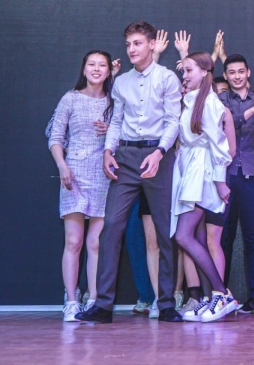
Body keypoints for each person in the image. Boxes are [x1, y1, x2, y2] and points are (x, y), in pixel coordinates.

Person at [77, 22, 182, 324]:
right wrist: (108, 151)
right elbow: (117, 120)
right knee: (111, 226)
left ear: (151, 45)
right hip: (125, 156)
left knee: (164, 231)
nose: (132, 49)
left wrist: (159, 152)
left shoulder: (167, 78)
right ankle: (103, 305)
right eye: (128, 44)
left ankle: (166, 304)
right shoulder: (121, 82)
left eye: (137, 43)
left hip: (157, 156)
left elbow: (173, 121)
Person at [170, 52, 240, 322]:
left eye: (189, 70)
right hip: (190, 170)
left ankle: (222, 294)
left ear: (203, 72)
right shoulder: (192, 100)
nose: (185, 75)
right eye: (184, 70)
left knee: (183, 235)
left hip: (202, 173)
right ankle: (213, 296)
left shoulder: (210, 103)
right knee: (196, 238)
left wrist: (220, 183)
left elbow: (220, 146)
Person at [49, 51, 115, 321]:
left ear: (109, 71)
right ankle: (71, 299)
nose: (96, 69)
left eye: (102, 65)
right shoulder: (71, 98)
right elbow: (55, 136)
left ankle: (95, 299)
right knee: (73, 241)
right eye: (92, 64)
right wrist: (62, 165)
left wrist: (111, 131)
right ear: (84, 69)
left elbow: (125, 133)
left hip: (103, 175)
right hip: (73, 174)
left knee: (96, 242)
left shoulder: (114, 101)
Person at [219, 53, 254, 314]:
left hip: (250, 175)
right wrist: (252, 111)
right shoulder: (220, 100)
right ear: (226, 76)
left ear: (248, 73)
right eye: (232, 72)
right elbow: (229, 123)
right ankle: (219, 295)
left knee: (252, 238)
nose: (237, 76)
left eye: (241, 71)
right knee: (223, 238)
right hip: (225, 177)